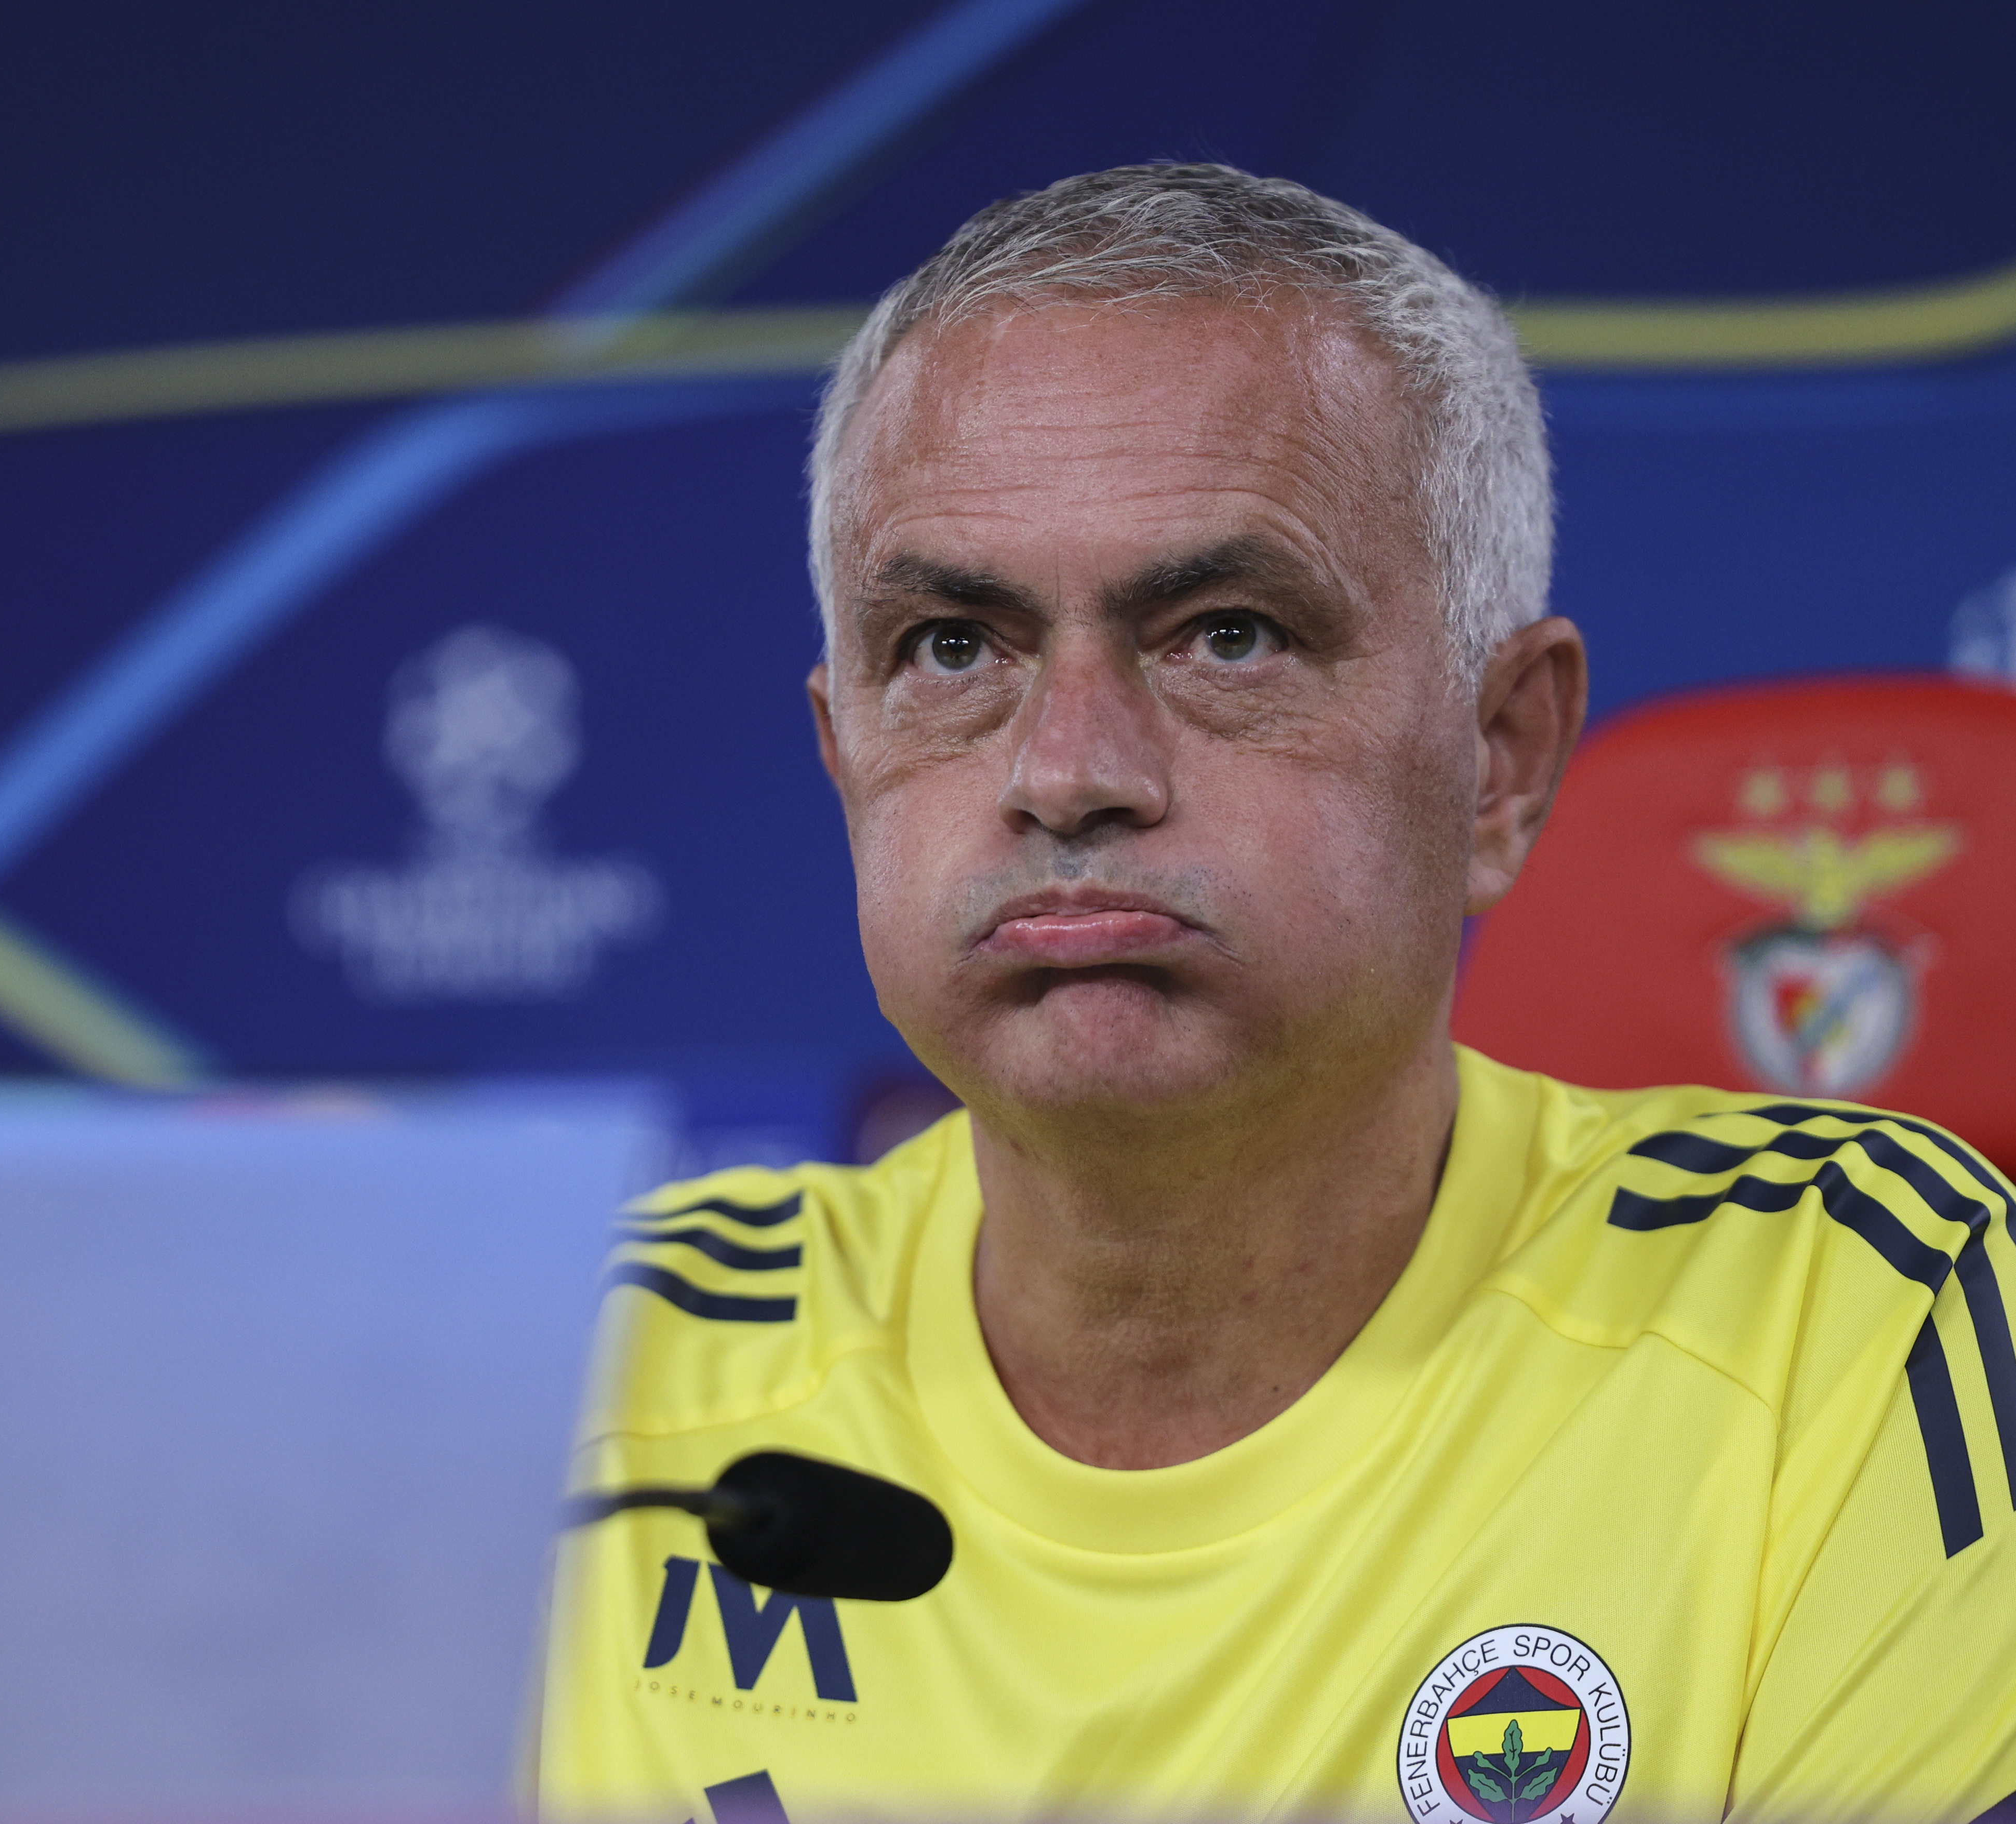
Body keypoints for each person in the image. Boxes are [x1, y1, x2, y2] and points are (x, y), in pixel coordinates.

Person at [533, 165, 2016, 1823]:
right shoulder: (577, 1388)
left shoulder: (1843, 1314)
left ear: (1499, 762)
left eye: (1225, 635)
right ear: (842, 758)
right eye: (953, 647)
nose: (1067, 773)